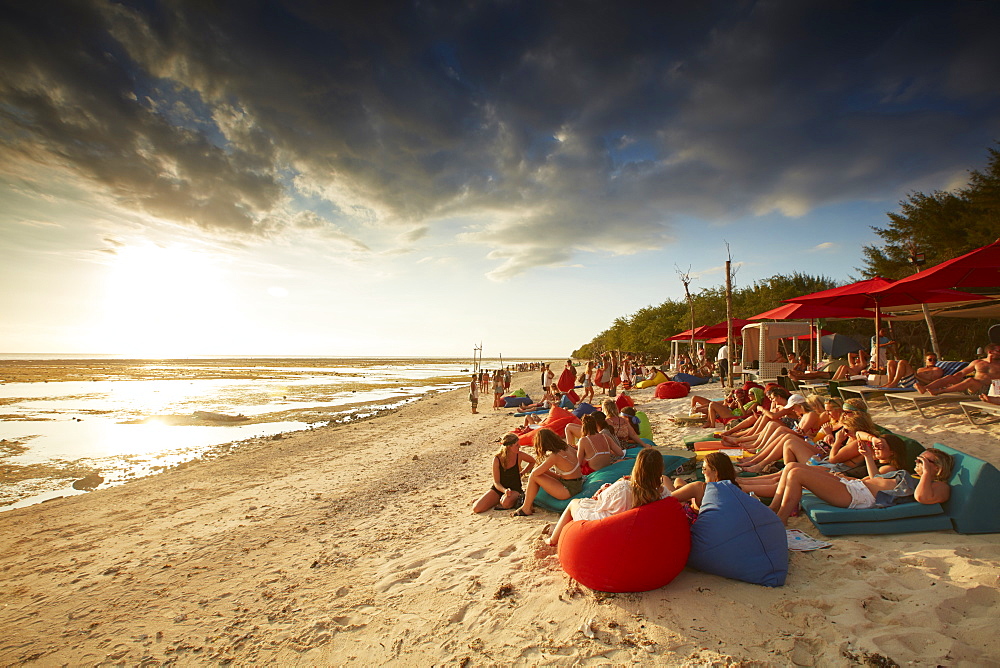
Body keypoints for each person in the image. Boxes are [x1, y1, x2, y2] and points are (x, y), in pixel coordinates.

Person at [765, 445, 952, 524]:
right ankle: (773, 509)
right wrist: (868, 457)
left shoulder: (939, 487)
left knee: (797, 473)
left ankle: (780, 520)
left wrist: (927, 473)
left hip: (860, 497)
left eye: (925, 461)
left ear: (938, 468)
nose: (919, 463)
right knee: (791, 466)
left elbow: (921, 497)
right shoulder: (914, 477)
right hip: (855, 486)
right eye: (919, 460)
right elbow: (876, 477)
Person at [545, 448, 669, 546]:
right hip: (635, 531)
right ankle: (556, 528)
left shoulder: (624, 487)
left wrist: (609, 486)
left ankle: (552, 540)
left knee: (574, 503)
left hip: (609, 528)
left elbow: (600, 501)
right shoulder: (662, 493)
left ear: (637, 467)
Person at [511, 429, 582, 517]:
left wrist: (538, 467)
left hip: (569, 490)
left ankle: (526, 508)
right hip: (577, 482)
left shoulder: (555, 456)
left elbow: (535, 474)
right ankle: (528, 505)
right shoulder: (568, 447)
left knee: (534, 476)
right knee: (539, 472)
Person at [472, 434, 536, 513]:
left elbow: (532, 461)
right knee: (477, 508)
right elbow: (496, 482)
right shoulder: (497, 459)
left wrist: (523, 472)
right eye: (516, 445)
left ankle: (499, 500)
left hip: (515, 489)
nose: (519, 446)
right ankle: (488, 499)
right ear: (509, 446)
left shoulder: (519, 455)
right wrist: (504, 491)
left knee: (506, 503)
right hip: (499, 489)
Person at [669, 452, 741, 515]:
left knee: (664, 478)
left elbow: (666, 499)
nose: (702, 472)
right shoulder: (734, 488)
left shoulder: (699, 487)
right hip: (709, 518)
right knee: (678, 481)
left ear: (715, 472)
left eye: (704, 469)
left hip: (688, 519)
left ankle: (684, 499)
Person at [917, 344, 1000, 395]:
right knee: (950, 377)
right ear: (990, 352)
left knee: (971, 380)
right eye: (998, 351)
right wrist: (955, 377)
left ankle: (940, 391)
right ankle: (924, 388)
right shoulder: (977, 362)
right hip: (972, 388)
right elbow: (963, 372)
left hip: (989, 389)